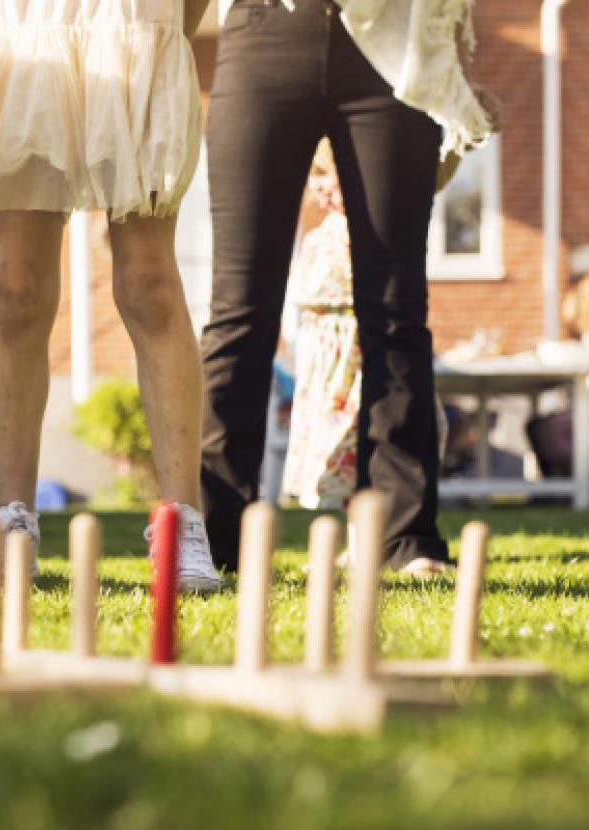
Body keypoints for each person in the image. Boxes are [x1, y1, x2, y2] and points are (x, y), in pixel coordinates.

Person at [0, 0, 223, 593]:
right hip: (28, 39)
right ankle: (12, 527)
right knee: (17, 288)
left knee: (149, 283)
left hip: (137, 30)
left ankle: (184, 527)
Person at [201, 0, 493, 573]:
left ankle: (403, 538)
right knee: (238, 311)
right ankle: (213, 539)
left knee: (394, 308)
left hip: (392, 41)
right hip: (265, 33)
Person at [281, 141, 449, 564]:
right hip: (328, 367)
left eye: (328, 174)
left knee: (370, 438)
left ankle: (383, 536)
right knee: (342, 450)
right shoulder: (321, 234)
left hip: (360, 357)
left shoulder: (375, 227)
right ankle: (360, 540)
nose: (320, 187)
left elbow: (432, 176)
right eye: (314, 176)